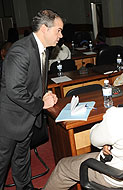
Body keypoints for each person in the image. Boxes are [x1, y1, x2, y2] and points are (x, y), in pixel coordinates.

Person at [44, 55, 123, 189]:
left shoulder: (117, 115)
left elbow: (94, 139)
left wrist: (107, 138)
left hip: (118, 177)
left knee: (63, 167)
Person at [0, 9, 63, 189]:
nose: (61, 35)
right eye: (58, 30)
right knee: (2, 165)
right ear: (44, 28)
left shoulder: (43, 49)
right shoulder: (21, 50)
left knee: (21, 160)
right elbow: (15, 90)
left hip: (26, 117)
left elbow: (33, 81)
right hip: (8, 121)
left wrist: (45, 93)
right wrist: (41, 103)